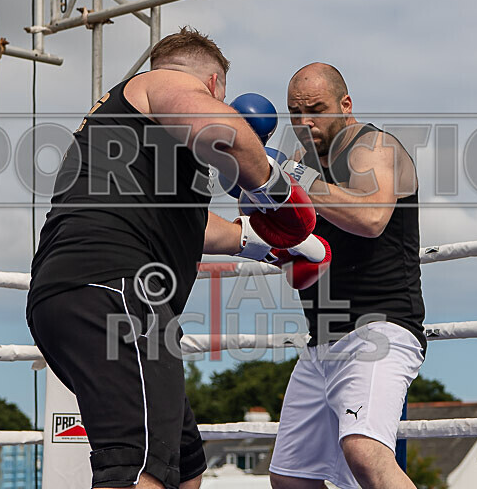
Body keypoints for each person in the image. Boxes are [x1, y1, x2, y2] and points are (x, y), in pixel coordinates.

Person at [27, 27, 318, 489]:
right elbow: (225, 130)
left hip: (79, 297)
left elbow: (190, 224)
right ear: (214, 84)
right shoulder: (162, 83)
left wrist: (266, 242)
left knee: (182, 468)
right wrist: (275, 190)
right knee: (137, 471)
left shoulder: (134, 137)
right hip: (111, 288)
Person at [268, 63, 427, 489]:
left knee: (366, 453)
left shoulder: (372, 147)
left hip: (378, 330)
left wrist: (291, 181)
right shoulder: (301, 161)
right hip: (322, 340)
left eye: (316, 110)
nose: (304, 123)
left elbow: (372, 216)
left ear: (346, 104)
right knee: (290, 477)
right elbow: (297, 259)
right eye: (294, 112)